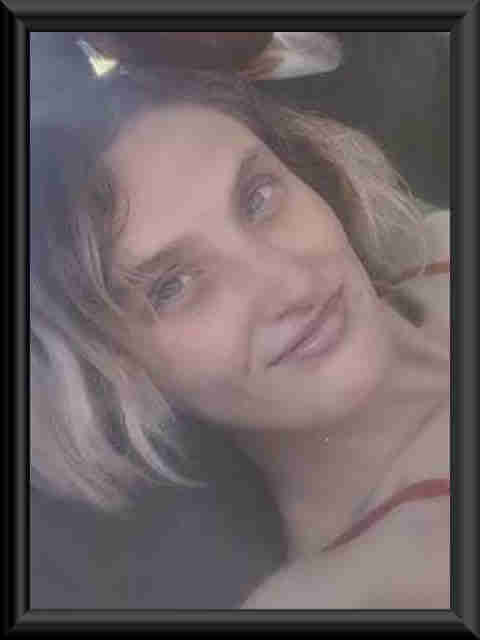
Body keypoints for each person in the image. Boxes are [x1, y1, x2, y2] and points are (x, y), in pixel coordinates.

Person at [30, 58, 449, 609]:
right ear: (108, 374)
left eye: (258, 198)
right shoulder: (362, 595)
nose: (290, 283)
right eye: (172, 286)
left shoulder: (442, 241)